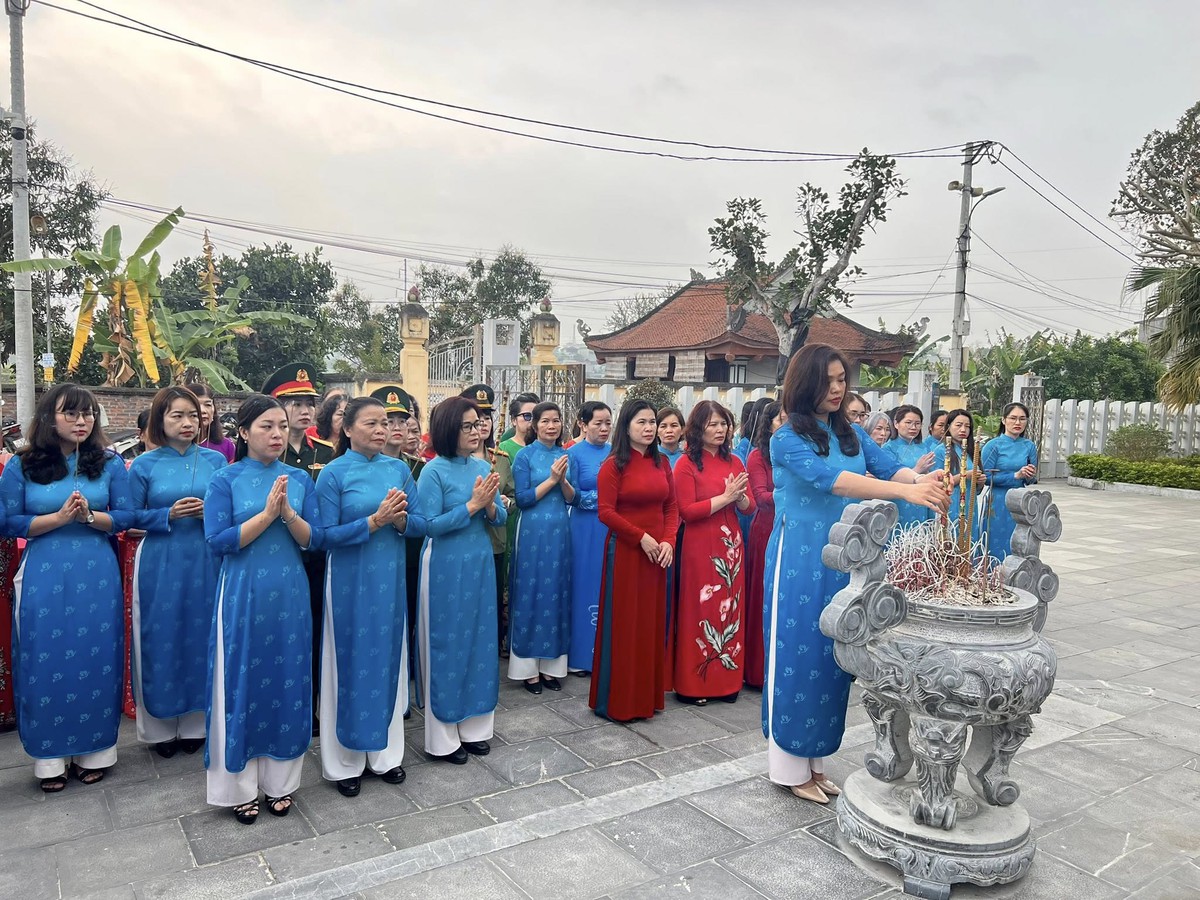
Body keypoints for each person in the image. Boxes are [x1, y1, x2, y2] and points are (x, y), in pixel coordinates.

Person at [764, 344, 948, 805]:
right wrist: (904, 491)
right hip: (800, 560)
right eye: (827, 380)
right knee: (798, 655)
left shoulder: (851, 433)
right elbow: (836, 481)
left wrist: (925, 482)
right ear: (804, 383)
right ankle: (787, 765)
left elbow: (894, 469)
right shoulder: (786, 438)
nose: (836, 388)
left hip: (848, 557)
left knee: (835, 656)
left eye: (841, 379)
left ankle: (815, 761)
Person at [0, 383, 136, 792]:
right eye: (71, 413)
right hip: (44, 572)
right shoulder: (21, 465)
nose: (82, 421)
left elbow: (126, 514)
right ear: (48, 418)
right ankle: (50, 759)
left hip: (97, 574)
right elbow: (7, 522)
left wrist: (92, 518)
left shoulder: (109, 463)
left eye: (88, 414)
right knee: (46, 657)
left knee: (98, 656)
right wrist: (58, 519)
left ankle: (96, 752)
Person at [204, 394, 323, 824]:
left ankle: (282, 783)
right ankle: (238, 786)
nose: (276, 434)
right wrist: (267, 515)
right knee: (243, 680)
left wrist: (288, 512)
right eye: (265, 427)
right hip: (243, 592)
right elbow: (218, 540)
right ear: (243, 432)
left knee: (287, 678)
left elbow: (314, 539)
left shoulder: (299, 478)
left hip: (289, 593)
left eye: (281, 425)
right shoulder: (225, 479)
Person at [316, 397, 424, 797]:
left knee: (386, 660)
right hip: (348, 581)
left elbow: (421, 523)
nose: (382, 430)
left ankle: (385, 755)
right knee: (347, 661)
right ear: (346, 429)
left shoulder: (398, 469)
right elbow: (322, 536)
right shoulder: (332, 474)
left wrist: (401, 521)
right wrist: (374, 521)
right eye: (371, 424)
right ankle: (344, 761)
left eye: (386, 423)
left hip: (389, 580)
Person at [127, 387, 226, 759]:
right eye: (177, 416)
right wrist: (166, 515)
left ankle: (197, 724)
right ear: (160, 420)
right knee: (161, 633)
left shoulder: (217, 462)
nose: (187, 423)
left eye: (193, 415)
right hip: (161, 560)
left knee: (202, 632)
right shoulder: (143, 465)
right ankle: (160, 727)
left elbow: (231, 513)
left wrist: (209, 514)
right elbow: (127, 516)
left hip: (206, 558)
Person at [417, 397, 506, 763]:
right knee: (448, 643)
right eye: (468, 425)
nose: (476, 431)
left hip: (479, 562)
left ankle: (475, 727)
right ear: (448, 429)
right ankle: (444, 737)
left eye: (479, 423)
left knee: (480, 641)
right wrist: (470, 506)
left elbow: (499, 518)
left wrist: (487, 504)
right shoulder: (432, 472)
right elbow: (427, 525)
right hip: (446, 564)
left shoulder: (483, 466)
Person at [589, 400, 677, 722]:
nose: (650, 428)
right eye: (642, 422)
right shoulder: (614, 465)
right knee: (625, 625)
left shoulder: (662, 464)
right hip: (626, 553)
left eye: (653, 421)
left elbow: (671, 507)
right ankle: (620, 701)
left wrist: (669, 540)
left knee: (651, 624)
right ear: (627, 426)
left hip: (657, 557)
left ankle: (646, 697)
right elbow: (606, 512)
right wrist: (640, 537)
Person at [670, 400, 754, 706]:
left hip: (731, 543)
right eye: (713, 424)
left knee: (731, 608)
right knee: (700, 610)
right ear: (698, 428)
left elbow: (750, 507)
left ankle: (727, 681)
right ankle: (694, 685)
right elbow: (687, 511)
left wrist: (740, 498)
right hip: (699, 545)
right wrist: (726, 497)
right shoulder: (686, 464)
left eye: (724, 424)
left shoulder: (735, 462)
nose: (720, 430)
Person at [263, 364, 330, 736]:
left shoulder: (327, 451)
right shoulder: (266, 454)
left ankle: (314, 704)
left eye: (309, 402)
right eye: (296, 403)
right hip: (276, 557)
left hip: (316, 559)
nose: (305, 410)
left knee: (316, 632)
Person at [509, 401, 578, 694]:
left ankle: (552, 667)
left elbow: (572, 498)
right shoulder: (524, 457)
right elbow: (523, 499)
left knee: (556, 592)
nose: (552, 426)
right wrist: (551, 479)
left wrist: (562, 481)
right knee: (531, 591)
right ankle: (527, 669)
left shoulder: (566, 455)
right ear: (534, 425)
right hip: (532, 531)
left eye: (557, 420)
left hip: (559, 530)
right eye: (546, 421)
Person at [566, 402, 611, 675]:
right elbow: (570, 495)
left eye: (608, 423)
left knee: (608, 585)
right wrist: (605, 501)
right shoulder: (572, 454)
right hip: (583, 529)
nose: (604, 429)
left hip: (611, 527)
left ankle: (606, 653)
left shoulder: (616, 453)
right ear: (583, 424)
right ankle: (581, 655)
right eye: (598, 423)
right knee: (583, 586)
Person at [743, 400, 785, 691]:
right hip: (766, 530)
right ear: (768, 424)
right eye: (780, 420)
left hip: (793, 530)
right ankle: (758, 671)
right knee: (763, 597)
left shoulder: (798, 453)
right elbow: (759, 496)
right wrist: (794, 493)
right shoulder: (758, 456)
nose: (785, 426)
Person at [461, 384, 507, 645]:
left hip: (494, 541)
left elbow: (508, 499)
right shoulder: (438, 465)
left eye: (487, 417)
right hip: (463, 543)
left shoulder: (498, 458)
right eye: (476, 419)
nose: (482, 424)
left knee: (490, 600)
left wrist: (501, 502)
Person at [495, 391, 539, 654]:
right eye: (527, 416)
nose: (532, 422)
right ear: (514, 420)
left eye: (536, 416)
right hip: (511, 520)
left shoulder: (547, 448)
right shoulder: (505, 449)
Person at [980, 402, 1038, 561]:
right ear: (1004, 420)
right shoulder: (993, 446)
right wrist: (1015, 476)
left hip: (1021, 500)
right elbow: (986, 478)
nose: (1018, 423)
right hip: (998, 500)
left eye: (1022, 419)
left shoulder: (1029, 446)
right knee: (995, 539)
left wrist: (1029, 474)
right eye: (1013, 418)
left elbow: (1032, 479)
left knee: (1019, 540)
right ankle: (992, 575)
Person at [883, 405, 937, 527]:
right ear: (896, 424)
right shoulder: (888, 449)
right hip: (900, 501)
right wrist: (917, 470)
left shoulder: (924, 447)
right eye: (908, 422)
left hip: (922, 500)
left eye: (917, 423)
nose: (913, 427)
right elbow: (887, 479)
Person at [932, 409, 983, 526]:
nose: (963, 430)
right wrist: (963, 476)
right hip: (950, 503)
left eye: (967, 426)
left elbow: (977, 489)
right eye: (958, 425)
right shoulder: (941, 451)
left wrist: (979, 481)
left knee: (970, 539)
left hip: (970, 504)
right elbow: (937, 483)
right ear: (948, 427)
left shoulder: (972, 451)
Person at [187, 383, 237, 463]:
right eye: (196, 404)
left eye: (208, 405)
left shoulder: (227, 445)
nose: (203, 410)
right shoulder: (176, 445)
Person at [312, 391, 347, 458]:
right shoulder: (315, 448)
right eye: (340, 414)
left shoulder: (355, 449)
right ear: (328, 417)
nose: (345, 418)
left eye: (348, 415)